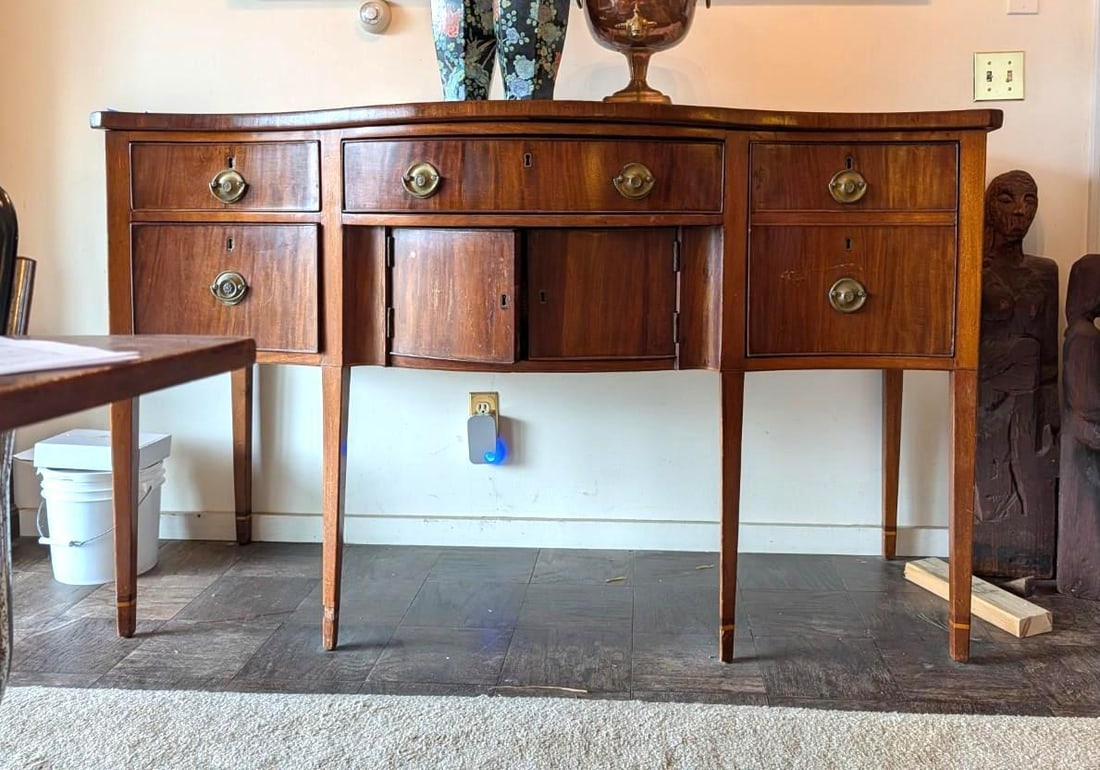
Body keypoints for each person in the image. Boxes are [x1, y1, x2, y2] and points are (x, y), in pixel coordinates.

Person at [974, 170, 1060, 576]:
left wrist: (1053, 405)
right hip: (986, 392)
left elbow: (1048, 354)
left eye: (1029, 200)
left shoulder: (1044, 271)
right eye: (1007, 199)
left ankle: (1029, 552)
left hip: (1029, 397)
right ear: (990, 208)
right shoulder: (972, 267)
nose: (1020, 210)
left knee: (1029, 475)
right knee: (991, 491)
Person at [1057, 254, 1100, 599]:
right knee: (1087, 520)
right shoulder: (1084, 337)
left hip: (1085, 437)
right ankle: (1085, 577)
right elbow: (1086, 404)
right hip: (1086, 439)